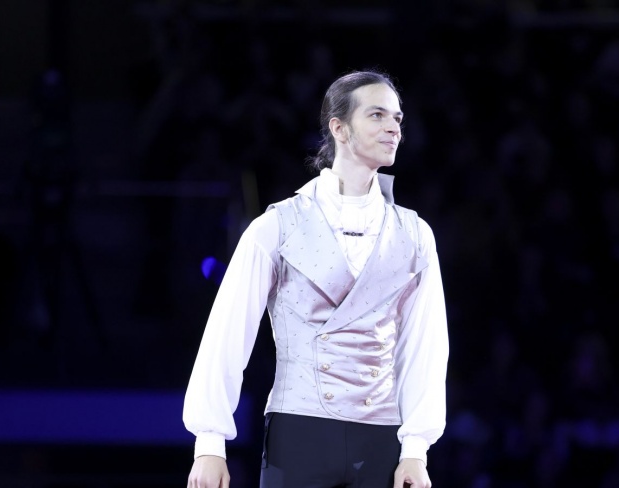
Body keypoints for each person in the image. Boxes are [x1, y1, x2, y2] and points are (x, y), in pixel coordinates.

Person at [184, 70, 449, 488]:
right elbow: (228, 332)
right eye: (377, 115)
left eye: (398, 118)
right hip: (299, 430)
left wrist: (416, 449)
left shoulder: (414, 235)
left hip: (381, 435)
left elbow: (424, 346)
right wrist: (209, 442)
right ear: (339, 128)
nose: (393, 127)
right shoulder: (278, 226)